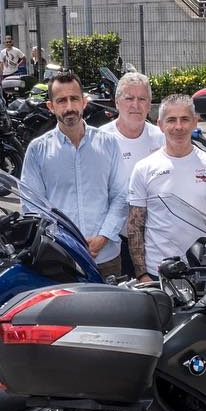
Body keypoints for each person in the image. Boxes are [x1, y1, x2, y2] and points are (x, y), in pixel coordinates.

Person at [19, 70, 128, 280]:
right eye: (61, 101)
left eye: (74, 99)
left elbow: (121, 196)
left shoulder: (108, 143)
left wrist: (103, 237)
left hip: (105, 258)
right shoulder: (38, 150)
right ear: (50, 106)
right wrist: (63, 243)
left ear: (84, 102)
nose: (69, 107)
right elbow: (32, 205)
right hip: (60, 259)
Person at [126, 94, 206, 278]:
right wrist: (142, 275)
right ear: (160, 124)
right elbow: (135, 226)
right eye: (171, 120)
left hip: (205, 270)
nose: (178, 127)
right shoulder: (143, 168)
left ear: (195, 122)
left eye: (185, 119)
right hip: (158, 272)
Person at [99, 71, 166, 277]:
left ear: (149, 104)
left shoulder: (162, 138)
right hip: (113, 239)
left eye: (142, 99)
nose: (135, 105)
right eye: (129, 98)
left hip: (155, 238)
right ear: (117, 102)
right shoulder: (100, 139)